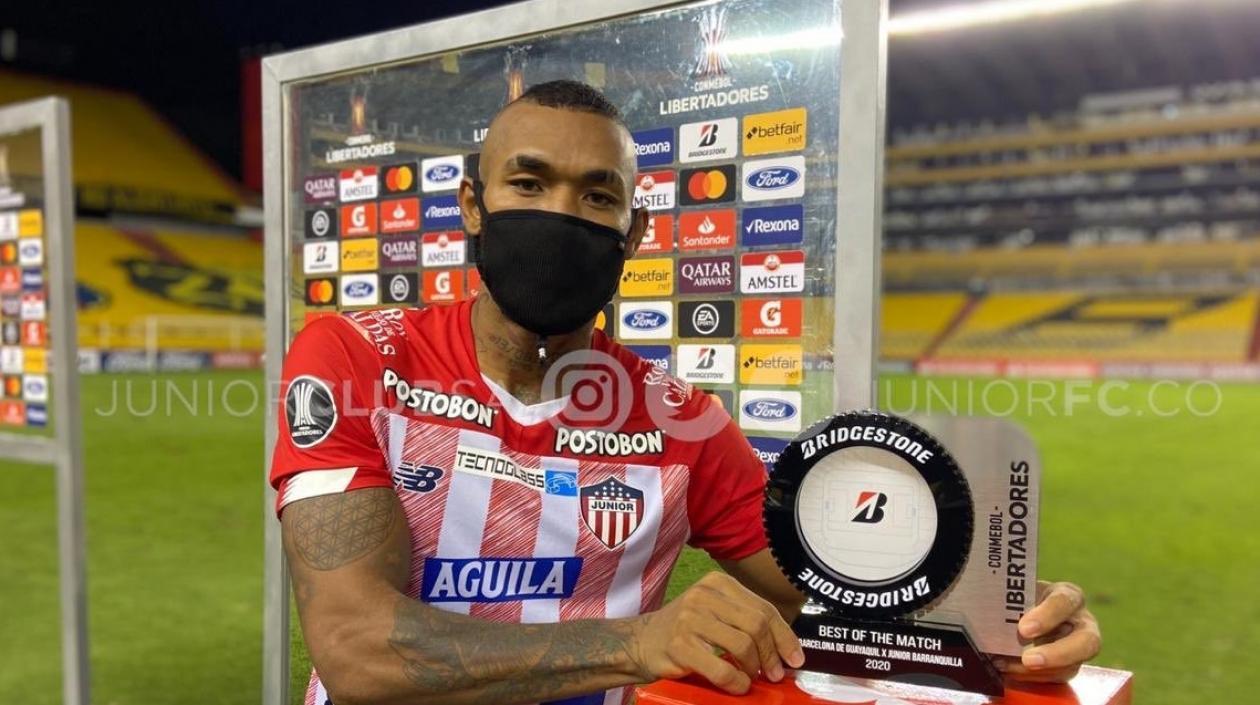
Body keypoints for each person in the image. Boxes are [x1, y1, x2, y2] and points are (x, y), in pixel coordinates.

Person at [270, 80, 1101, 705]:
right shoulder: (358, 357)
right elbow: (356, 647)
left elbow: (833, 585)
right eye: (529, 184)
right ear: (473, 208)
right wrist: (638, 642)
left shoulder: (680, 419)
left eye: (598, 195)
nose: (562, 215)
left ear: (632, 233)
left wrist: (1005, 619)